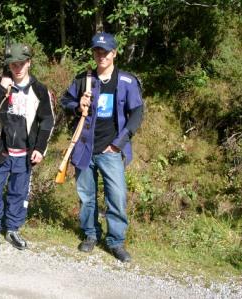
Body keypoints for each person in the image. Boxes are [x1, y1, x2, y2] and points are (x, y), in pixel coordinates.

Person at [60, 32, 144, 262]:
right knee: (86, 197)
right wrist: (78, 105)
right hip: (85, 148)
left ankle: (116, 242)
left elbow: (137, 113)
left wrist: (119, 145)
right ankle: (90, 235)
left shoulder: (127, 81)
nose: (101, 55)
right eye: (97, 51)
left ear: (114, 53)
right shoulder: (83, 79)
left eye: (106, 51)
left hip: (112, 151)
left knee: (116, 197)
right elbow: (64, 101)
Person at [0, 43, 55, 257]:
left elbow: (47, 121)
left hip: (25, 154)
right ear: (8, 65)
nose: (17, 68)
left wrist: (40, 148)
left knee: (18, 194)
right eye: (13, 64)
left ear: (29, 63)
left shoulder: (39, 89)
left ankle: (12, 229)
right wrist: (1, 89)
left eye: (21, 63)